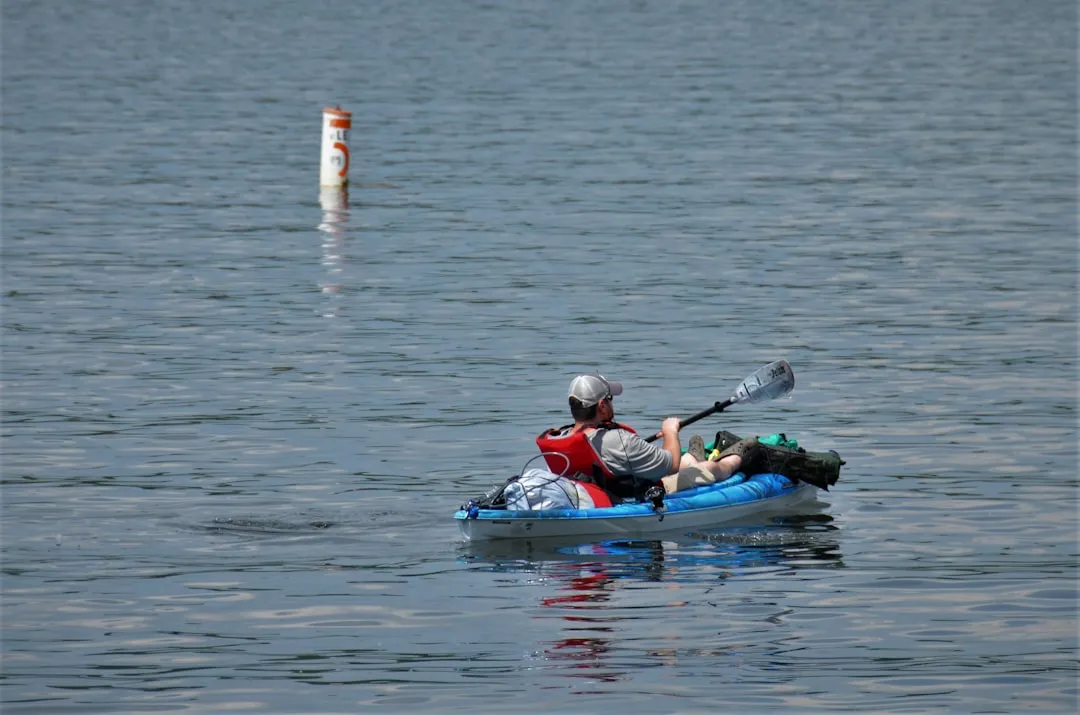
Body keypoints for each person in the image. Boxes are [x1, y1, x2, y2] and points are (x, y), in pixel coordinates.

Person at [536, 373, 759, 502]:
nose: (613, 403)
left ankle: (692, 456)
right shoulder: (617, 440)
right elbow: (670, 465)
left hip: (593, 492)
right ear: (602, 406)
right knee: (707, 470)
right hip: (635, 492)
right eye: (610, 399)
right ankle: (740, 454)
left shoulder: (558, 437)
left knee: (686, 461)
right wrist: (671, 431)